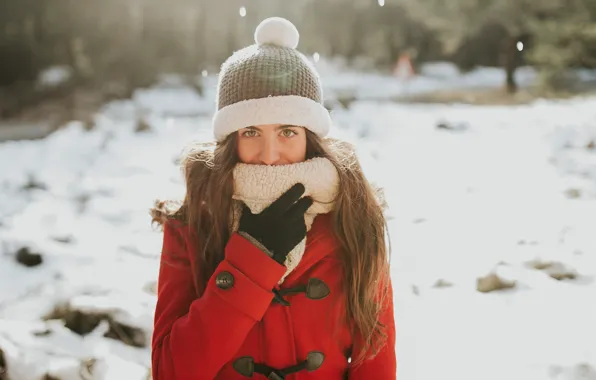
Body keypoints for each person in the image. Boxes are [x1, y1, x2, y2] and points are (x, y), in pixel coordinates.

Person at [150, 16, 396, 380]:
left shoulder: (354, 217)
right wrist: (252, 260)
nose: (269, 154)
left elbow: (375, 361)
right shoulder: (193, 221)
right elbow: (171, 371)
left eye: (287, 131)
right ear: (230, 140)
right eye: (250, 131)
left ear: (310, 137)